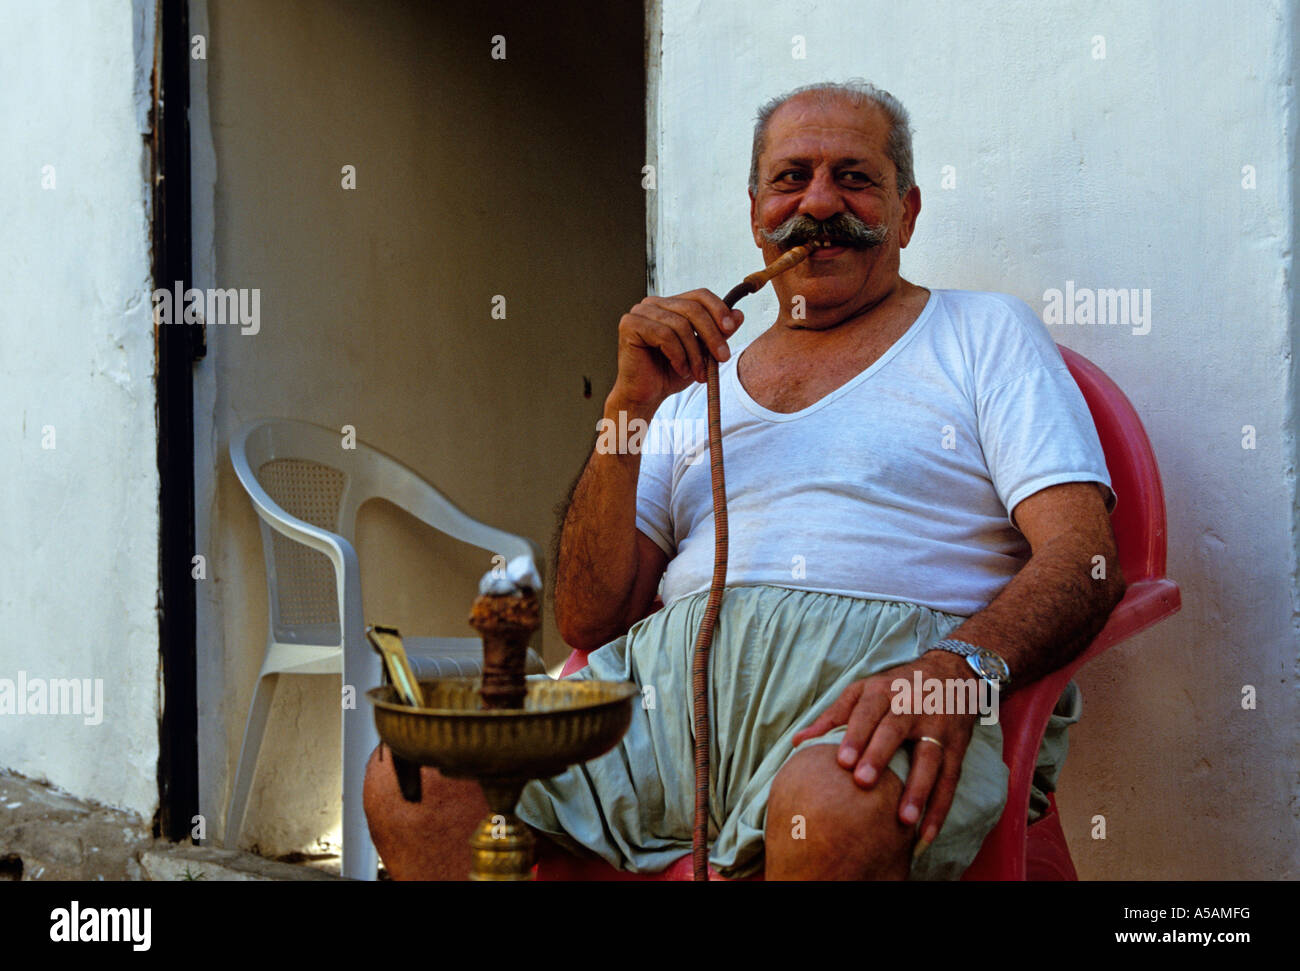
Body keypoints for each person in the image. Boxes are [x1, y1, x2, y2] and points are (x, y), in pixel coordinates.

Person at [364, 80, 1124, 880]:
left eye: (855, 178)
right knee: (419, 778)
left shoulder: (984, 333)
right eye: (791, 179)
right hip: (661, 711)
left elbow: (1087, 557)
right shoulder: (690, 386)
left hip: (879, 699)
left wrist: (957, 669)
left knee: (833, 810)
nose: (820, 203)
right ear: (757, 213)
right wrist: (627, 406)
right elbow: (588, 616)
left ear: (906, 212)